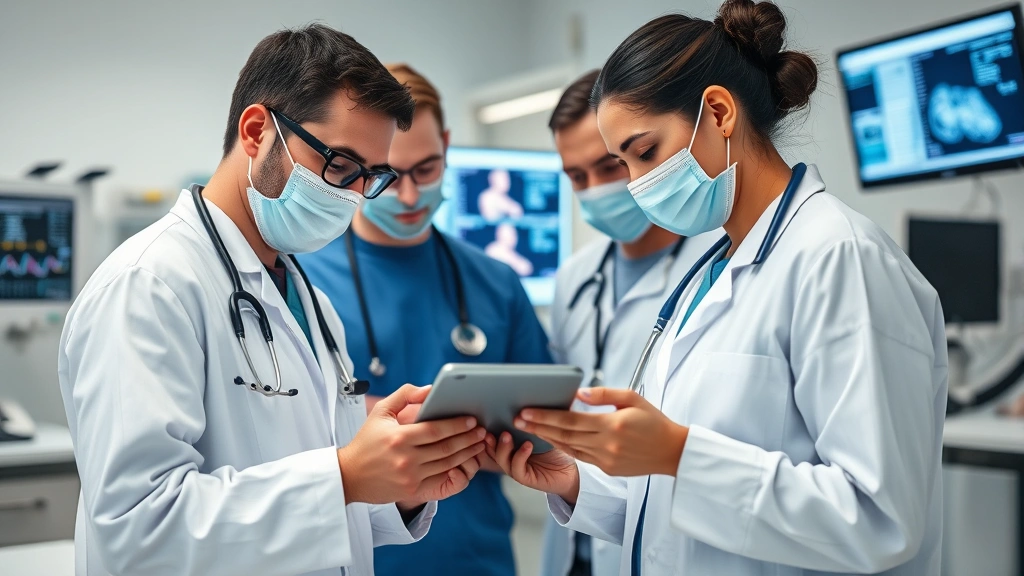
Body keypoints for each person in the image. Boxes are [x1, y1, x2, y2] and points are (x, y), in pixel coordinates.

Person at [489, 2, 948, 575]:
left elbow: (878, 519)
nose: (636, 185)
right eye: (622, 163)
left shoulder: (840, 259)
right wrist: (579, 481)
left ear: (719, 111)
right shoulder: (710, 274)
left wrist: (676, 452)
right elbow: (671, 507)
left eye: (645, 152)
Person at [57, 26, 489, 576]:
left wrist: (399, 483)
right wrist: (348, 474)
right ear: (258, 131)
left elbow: (327, 508)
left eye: (369, 178)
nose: (353, 196)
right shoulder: (148, 286)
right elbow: (140, 531)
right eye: (340, 165)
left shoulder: (305, 300)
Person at [298, 63, 552, 576]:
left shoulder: (495, 283)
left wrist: (418, 436)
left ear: (449, 145)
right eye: (391, 178)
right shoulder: (301, 281)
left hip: (475, 558)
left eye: (428, 170)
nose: (411, 196)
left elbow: (547, 427)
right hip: (353, 557)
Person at [539, 69, 720, 576]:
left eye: (608, 166)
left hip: (669, 536)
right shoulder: (575, 277)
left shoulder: (715, 267)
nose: (594, 189)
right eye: (576, 177)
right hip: (576, 531)